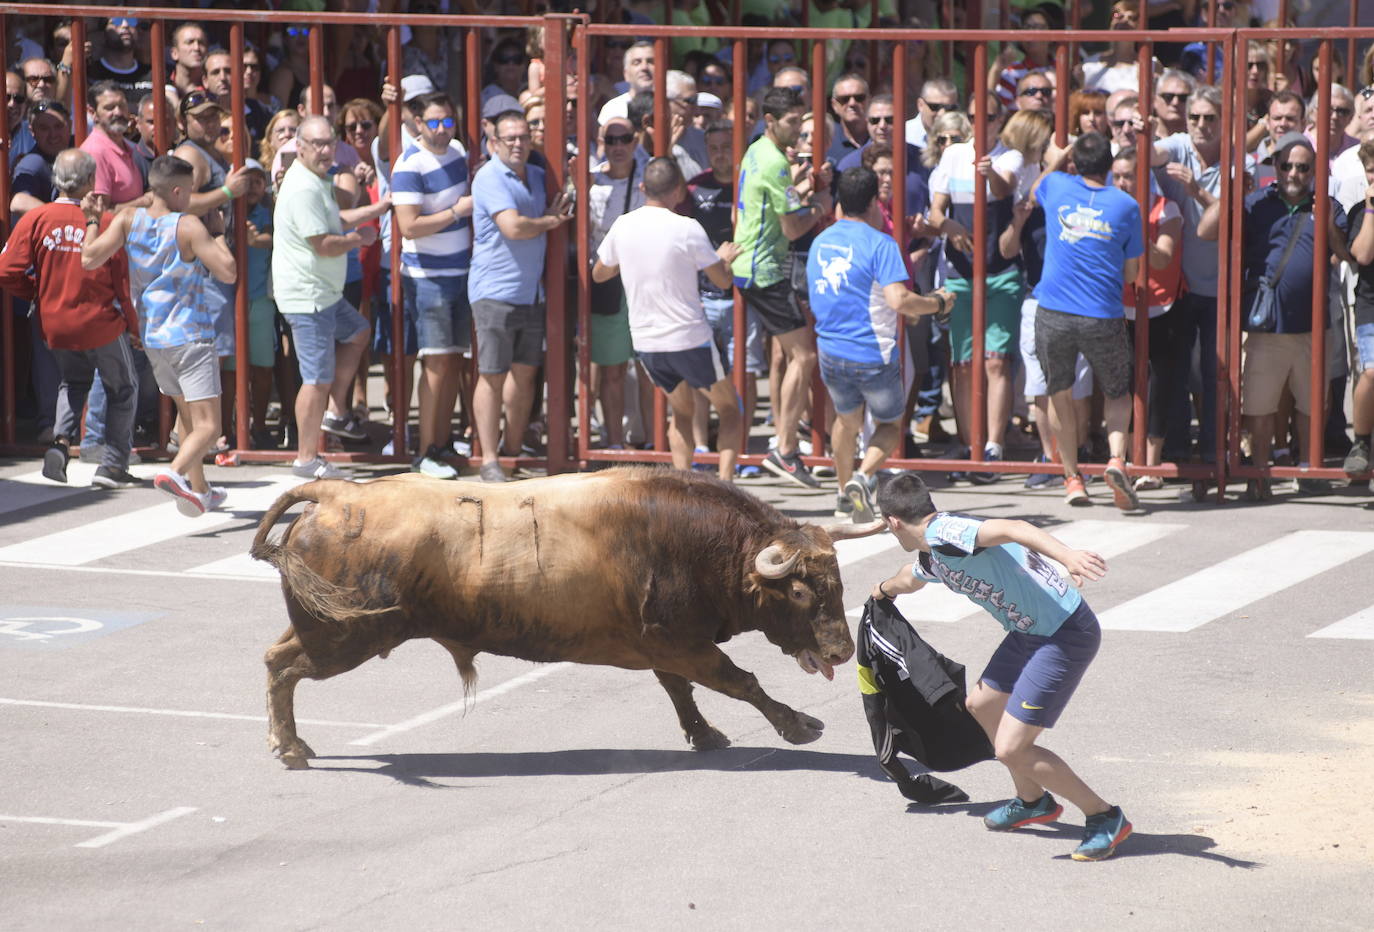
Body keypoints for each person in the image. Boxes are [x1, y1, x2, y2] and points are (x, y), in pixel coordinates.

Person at [870, 471, 1131, 862]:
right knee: (981, 705)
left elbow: (1015, 527)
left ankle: (1104, 816)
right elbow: (913, 577)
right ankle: (1033, 800)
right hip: (1029, 633)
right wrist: (882, 592)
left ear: (893, 522)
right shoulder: (934, 551)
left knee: (1011, 748)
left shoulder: (947, 532)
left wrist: (1068, 556)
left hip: (1063, 634)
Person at [81, 154, 237, 514]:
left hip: (154, 336)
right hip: (191, 335)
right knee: (210, 427)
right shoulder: (187, 226)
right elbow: (227, 272)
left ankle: (200, 491)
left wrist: (92, 220)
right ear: (178, 191)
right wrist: (218, 234)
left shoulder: (127, 220)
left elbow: (89, 257)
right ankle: (175, 473)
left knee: (187, 417)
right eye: (191, 192)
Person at [1198, 131, 1351, 499]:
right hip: (1265, 325)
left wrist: (1325, 221)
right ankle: (1260, 472)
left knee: (1313, 404)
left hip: (1313, 325)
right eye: (1287, 166)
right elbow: (1206, 231)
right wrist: (1232, 188)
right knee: (1260, 404)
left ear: (1315, 170)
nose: (1294, 173)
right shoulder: (1255, 203)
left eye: (1303, 167)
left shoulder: (1328, 206)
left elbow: (1344, 255)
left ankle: (1308, 470)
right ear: (1276, 167)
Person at [807, 167, 954, 521]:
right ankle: (863, 475)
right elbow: (899, 300)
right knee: (889, 424)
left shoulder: (821, 241)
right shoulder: (881, 244)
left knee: (846, 420)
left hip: (830, 349)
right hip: (872, 352)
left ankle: (844, 494)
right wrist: (936, 303)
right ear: (875, 201)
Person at [593, 156, 743, 480]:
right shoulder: (687, 228)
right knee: (731, 411)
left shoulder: (623, 225)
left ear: (644, 188)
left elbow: (599, 272)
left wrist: (633, 259)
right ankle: (728, 488)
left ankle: (684, 489)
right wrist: (723, 258)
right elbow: (723, 280)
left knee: (681, 412)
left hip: (647, 340)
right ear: (678, 191)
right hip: (689, 338)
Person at [0, 148, 141, 490]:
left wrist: (35, 292)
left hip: (54, 322)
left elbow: (7, 270)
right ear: (91, 181)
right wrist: (135, 327)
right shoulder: (104, 222)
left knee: (73, 382)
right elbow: (123, 283)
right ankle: (113, 464)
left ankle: (61, 443)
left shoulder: (37, 219)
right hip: (100, 321)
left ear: (56, 181)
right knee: (123, 387)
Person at [1031, 131, 1144, 510]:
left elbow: (1035, 188)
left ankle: (1072, 478)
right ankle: (1115, 459)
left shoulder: (1058, 185)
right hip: (1102, 314)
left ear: (1075, 163)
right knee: (1116, 392)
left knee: (1059, 392)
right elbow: (1131, 274)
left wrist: (1059, 156)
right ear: (1111, 166)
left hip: (1054, 311)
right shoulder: (1127, 206)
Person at [732, 86, 830, 489]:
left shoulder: (757, 149)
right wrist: (820, 205)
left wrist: (802, 191)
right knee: (804, 356)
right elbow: (792, 225)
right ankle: (786, 449)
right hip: (764, 269)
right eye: (793, 121)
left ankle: (787, 441)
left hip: (752, 263)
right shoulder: (774, 162)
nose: (800, 127)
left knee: (793, 355)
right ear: (771, 121)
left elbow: (778, 208)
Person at [272, 115, 379, 480]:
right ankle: (305, 458)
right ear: (299, 148)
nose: (323, 149)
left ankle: (334, 412)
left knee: (359, 332)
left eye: (328, 142)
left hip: (323, 294)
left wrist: (376, 210)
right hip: (308, 298)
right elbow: (324, 242)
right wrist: (358, 240)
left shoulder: (318, 180)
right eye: (315, 144)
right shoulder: (303, 187)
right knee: (315, 378)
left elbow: (334, 219)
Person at [468, 109, 572, 482]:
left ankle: (512, 452)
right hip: (494, 292)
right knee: (492, 375)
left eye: (523, 137)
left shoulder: (540, 176)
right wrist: (550, 221)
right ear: (493, 143)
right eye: (509, 138)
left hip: (531, 293)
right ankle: (490, 459)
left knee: (525, 376)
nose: (517, 143)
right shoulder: (489, 176)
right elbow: (512, 227)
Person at [392, 92, 473, 480]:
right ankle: (425, 452)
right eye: (435, 122)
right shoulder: (409, 164)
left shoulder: (457, 151)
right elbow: (408, 226)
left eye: (448, 121)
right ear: (418, 124)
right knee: (437, 362)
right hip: (428, 277)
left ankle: (440, 444)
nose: (443, 130)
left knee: (454, 361)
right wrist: (456, 211)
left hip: (462, 272)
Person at [1112, 145, 1184, 490]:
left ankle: (1151, 467)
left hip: (1162, 307)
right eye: (1118, 176)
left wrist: (1137, 231)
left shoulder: (1164, 208)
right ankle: (1121, 461)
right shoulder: (1107, 210)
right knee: (1122, 385)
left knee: (1159, 387)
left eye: (1130, 176)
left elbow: (1163, 259)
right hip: (1120, 308)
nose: (1124, 183)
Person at [1344, 140, 1374, 481]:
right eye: (1370, 170)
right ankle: (1361, 442)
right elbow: (1363, 255)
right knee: (1371, 372)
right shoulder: (1360, 212)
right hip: (1371, 305)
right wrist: (1370, 209)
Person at [80, 82, 147, 213]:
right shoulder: (95, 152)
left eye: (122, 106)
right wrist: (144, 202)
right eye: (109, 108)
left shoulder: (128, 147)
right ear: (92, 112)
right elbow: (100, 212)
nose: (118, 112)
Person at [168, 22, 208, 98]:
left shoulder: (213, 87)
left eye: (201, 43)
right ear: (174, 53)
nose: (196, 48)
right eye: (189, 42)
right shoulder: (162, 84)